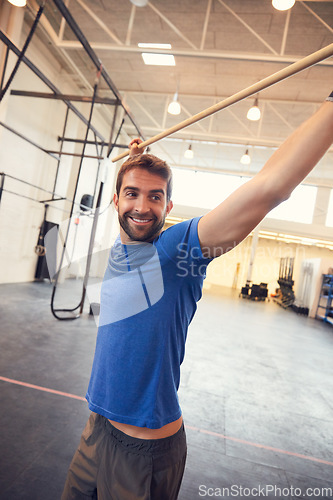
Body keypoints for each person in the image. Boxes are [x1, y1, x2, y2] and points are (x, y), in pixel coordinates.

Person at [62, 93, 333, 500]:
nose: (142, 206)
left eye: (155, 197)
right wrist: (136, 159)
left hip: (142, 450)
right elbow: (134, 209)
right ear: (115, 200)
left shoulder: (176, 253)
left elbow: (269, 189)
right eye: (132, 193)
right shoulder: (123, 248)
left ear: (168, 206)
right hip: (96, 428)